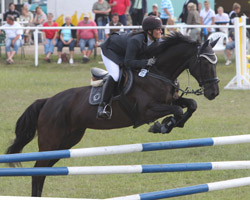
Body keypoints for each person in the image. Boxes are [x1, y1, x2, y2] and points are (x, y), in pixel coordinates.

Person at [98, 16, 162, 119]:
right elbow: (128, 62)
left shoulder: (155, 41)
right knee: (115, 76)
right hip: (110, 50)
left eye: (160, 28)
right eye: (158, 29)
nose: (160, 31)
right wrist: (146, 62)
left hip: (124, 52)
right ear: (149, 31)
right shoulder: (136, 41)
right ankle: (103, 106)